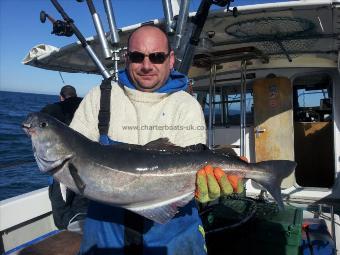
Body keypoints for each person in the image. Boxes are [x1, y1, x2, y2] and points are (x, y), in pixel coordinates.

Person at [69, 25, 242, 255]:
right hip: (106, 228)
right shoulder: (101, 96)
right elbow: (74, 155)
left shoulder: (186, 104)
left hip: (172, 228)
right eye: (137, 56)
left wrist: (204, 187)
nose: (147, 65)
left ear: (171, 60)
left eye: (157, 57)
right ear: (126, 58)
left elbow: (193, 167)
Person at [41, 85, 89, 230]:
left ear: (61, 96)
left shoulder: (55, 109)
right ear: (75, 94)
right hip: (85, 165)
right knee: (82, 203)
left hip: (62, 165)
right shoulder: (86, 105)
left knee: (61, 210)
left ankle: (67, 236)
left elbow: (41, 117)